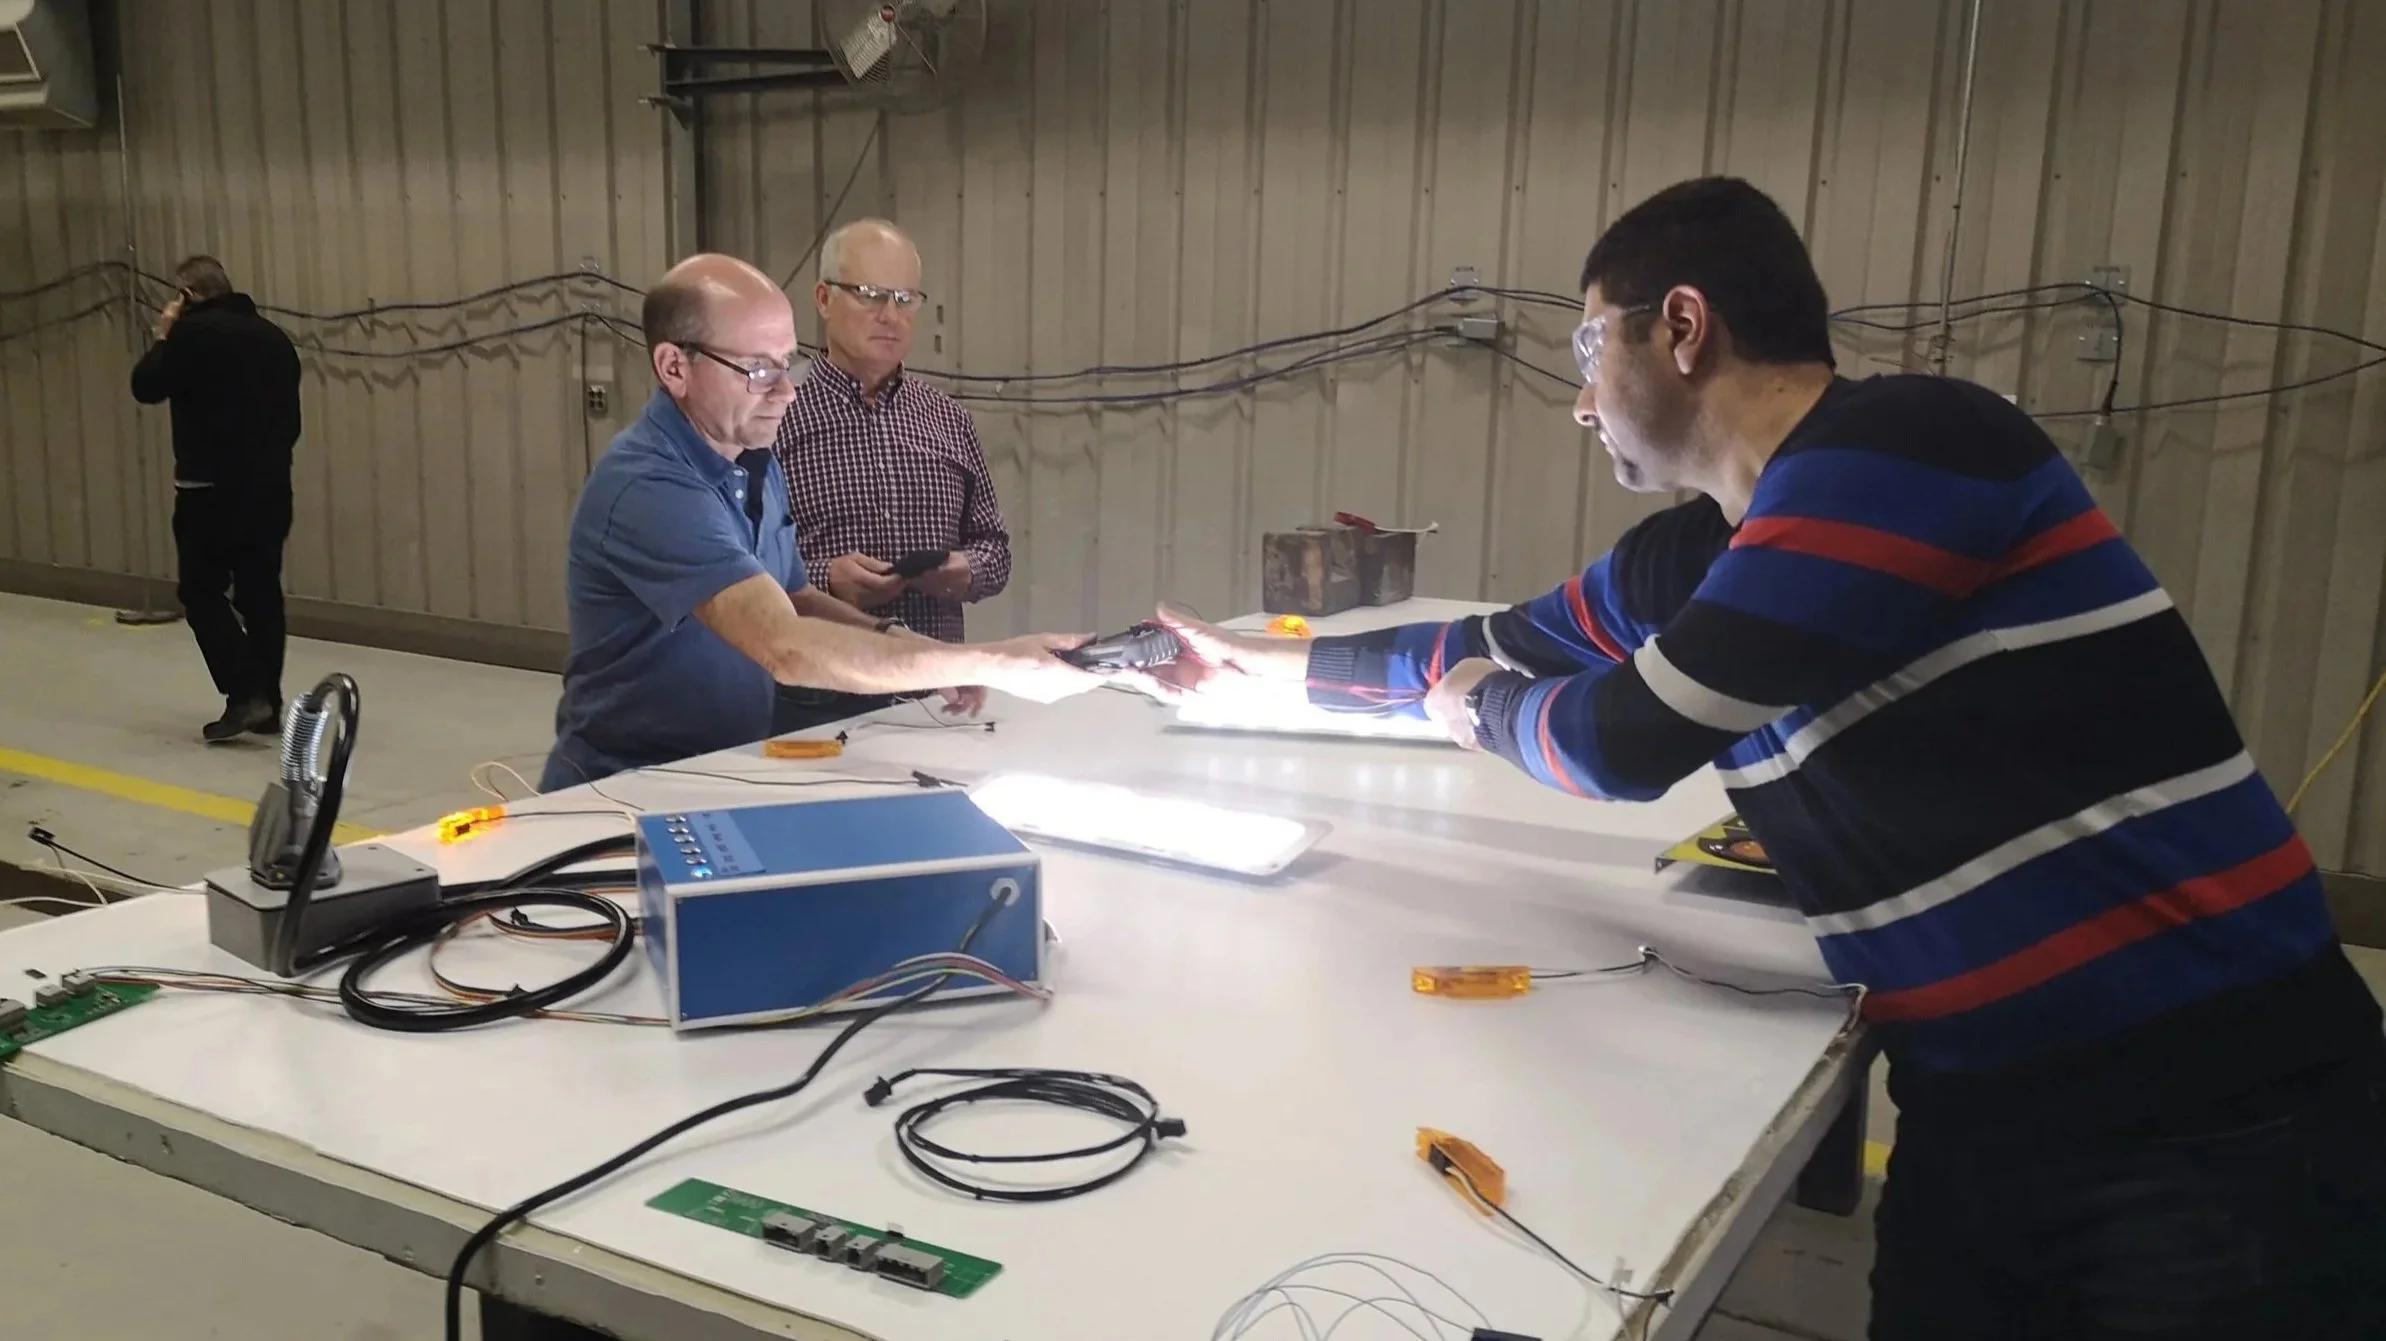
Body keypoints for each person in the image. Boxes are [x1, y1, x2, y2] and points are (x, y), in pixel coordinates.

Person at [1142, 178, 2386, 1341]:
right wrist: (1264, 668)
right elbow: (1485, 641)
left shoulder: (1910, 447)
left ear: (1681, 327)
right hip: (1978, 1109)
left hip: (2212, 1115)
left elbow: (1623, 738)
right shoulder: (1691, 559)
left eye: (1587, 353)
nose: (1579, 403)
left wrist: (1479, 713)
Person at [541, 253, 1095, 791]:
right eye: (758, 369)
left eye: (786, 364)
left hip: (723, 769)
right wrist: (998, 662)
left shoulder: (751, 456)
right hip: (625, 789)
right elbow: (784, 644)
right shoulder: (649, 484)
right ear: (674, 367)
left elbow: (797, 596)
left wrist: (915, 646)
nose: (784, 391)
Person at [768, 218, 1011, 733]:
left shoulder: (947, 419)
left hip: (935, 692)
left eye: (905, 299)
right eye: (871, 294)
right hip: (815, 699)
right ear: (823, 298)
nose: (890, 316)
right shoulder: (773, 416)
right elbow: (737, 569)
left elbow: (995, 550)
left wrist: (964, 571)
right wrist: (825, 580)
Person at [129, 255, 304, 743]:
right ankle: (268, 703)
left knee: (201, 591)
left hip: (209, 489)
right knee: (260, 591)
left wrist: (165, 332)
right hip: (271, 487)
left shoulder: (190, 336)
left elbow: (145, 386)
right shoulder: (274, 338)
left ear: (186, 295)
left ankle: (244, 693)